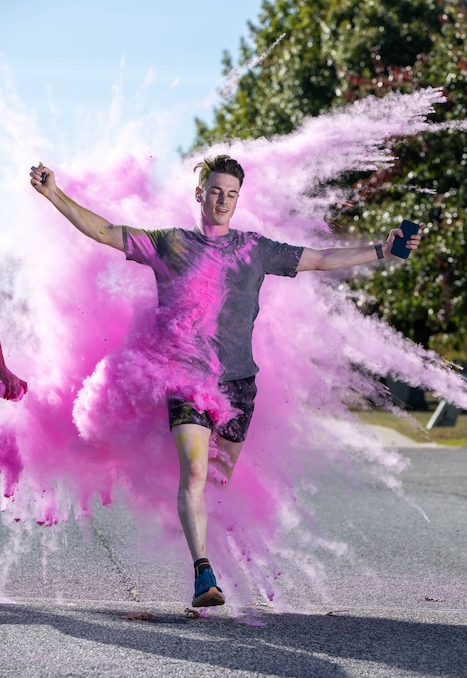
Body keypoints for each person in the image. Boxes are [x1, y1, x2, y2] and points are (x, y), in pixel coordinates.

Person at [30, 156, 422, 607]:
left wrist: (381, 249)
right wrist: (53, 193)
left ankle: (212, 548)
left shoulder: (254, 248)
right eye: (215, 191)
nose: (223, 200)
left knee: (217, 481)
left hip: (239, 383)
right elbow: (103, 230)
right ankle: (203, 574)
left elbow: (318, 259)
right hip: (185, 378)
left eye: (231, 194)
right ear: (200, 195)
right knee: (194, 471)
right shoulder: (170, 243)